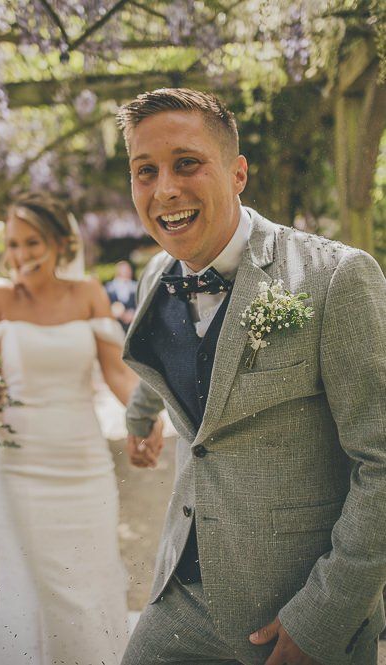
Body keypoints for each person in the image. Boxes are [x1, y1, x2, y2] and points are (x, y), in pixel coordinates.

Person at [117, 88, 386, 664]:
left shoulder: (335, 277)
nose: (165, 189)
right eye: (146, 171)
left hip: (294, 607)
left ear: (237, 173)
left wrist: (323, 617)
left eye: (186, 163)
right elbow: (162, 366)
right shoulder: (154, 281)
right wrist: (139, 417)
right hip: (181, 598)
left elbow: (382, 462)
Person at [0, 192, 158, 665]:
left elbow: (117, 373)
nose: (20, 255)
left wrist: (145, 418)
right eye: (12, 244)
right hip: (12, 465)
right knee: (27, 585)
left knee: (89, 578)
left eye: (32, 243)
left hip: (81, 464)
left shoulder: (88, 292)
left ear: (61, 243)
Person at [105, 260, 138, 330]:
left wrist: (134, 314)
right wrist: (122, 315)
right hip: (115, 326)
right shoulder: (109, 288)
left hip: (133, 324)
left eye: (129, 270)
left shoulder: (136, 286)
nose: (128, 272)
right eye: (125, 270)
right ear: (118, 271)